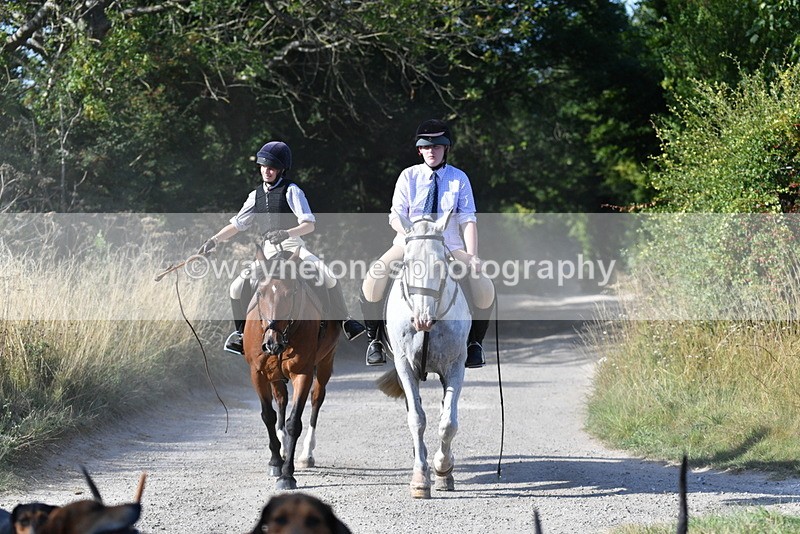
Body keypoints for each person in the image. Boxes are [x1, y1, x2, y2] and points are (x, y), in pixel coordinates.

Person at [199, 141, 365, 354]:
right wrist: (213, 241)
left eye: (272, 168)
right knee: (236, 287)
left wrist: (287, 233)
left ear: (280, 170)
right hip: (268, 251)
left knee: (329, 275)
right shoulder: (255, 195)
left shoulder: (292, 191)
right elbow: (237, 224)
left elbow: (309, 224)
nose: (266, 171)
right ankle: (241, 334)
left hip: (292, 246)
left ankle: (345, 321)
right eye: (263, 167)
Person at [359, 119, 495, 368]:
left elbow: (467, 219)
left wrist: (473, 255)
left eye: (438, 147)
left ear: (446, 149)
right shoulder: (408, 176)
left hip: (449, 246)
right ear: (419, 150)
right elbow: (395, 215)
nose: (432, 151)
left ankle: (475, 344)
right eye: (427, 147)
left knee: (484, 287)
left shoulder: (458, 179)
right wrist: (410, 234)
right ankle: (374, 340)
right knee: (373, 277)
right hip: (409, 243)